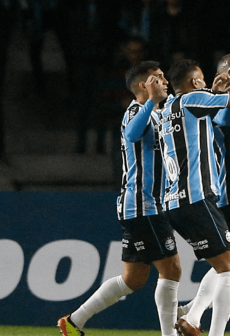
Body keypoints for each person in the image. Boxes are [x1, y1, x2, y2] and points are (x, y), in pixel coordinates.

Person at [57, 61, 181, 336]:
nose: (164, 81)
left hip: (147, 205)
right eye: (157, 78)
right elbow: (132, 134)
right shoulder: (136, 111)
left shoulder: (161, 112)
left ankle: (74, 320)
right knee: (171, 269)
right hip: (143, 205)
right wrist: (151, 102)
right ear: (142, 86)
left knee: (133, 279)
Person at [156, 54, 230, 336]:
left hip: (174, 202)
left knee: (224, 266)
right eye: (202, 80)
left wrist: (221, 91)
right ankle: (196, 323)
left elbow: (223, 117)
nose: (206, 85)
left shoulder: (168, 108)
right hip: (196, 196)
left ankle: (193, 317)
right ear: (194, 81)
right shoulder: (193, 99)